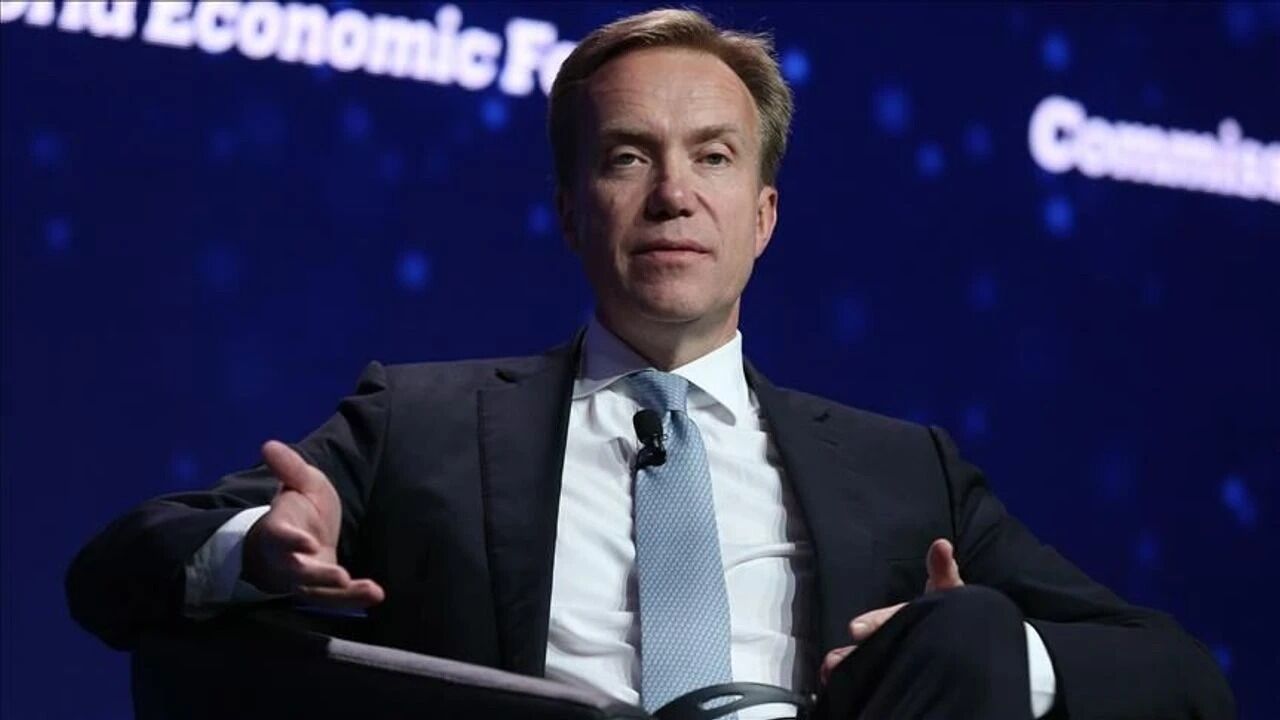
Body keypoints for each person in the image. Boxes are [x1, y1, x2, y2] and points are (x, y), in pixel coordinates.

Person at [66, 8, 1234, 719]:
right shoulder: (420, 420)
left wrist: (978, 660)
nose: (674, 194)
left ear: (762, 215)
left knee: (979, 634)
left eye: (712, 158)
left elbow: (1177, 677)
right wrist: (253, 548)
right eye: (627, 156)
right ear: (570, 210)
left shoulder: (901, 470)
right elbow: (114, 573)